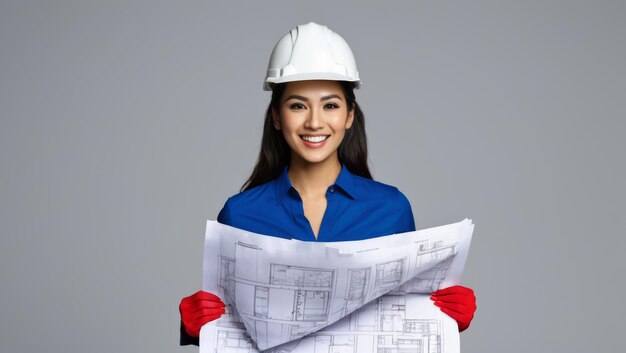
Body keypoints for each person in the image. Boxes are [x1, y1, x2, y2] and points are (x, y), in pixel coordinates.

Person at [179, 22, 476, 346]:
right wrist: (196, 327)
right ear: (277, 116)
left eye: (330, 105)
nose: (315, 121)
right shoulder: (240, 214)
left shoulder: (390, 210)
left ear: (349, 115)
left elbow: (400, 318)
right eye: (297, 105)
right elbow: (233, 329)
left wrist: (445, 317)